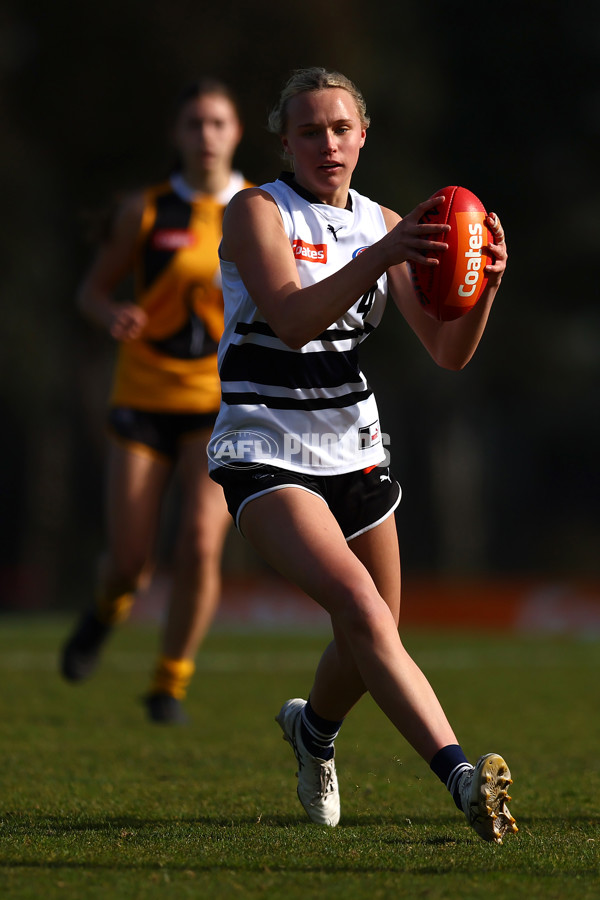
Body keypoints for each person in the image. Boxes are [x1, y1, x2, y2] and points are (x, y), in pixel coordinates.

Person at [207, 67, 517, 842]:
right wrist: (382, 256)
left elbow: (448, 354)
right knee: (361, 607)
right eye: (309, 130)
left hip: (354, 447)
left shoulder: (382, 221)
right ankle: (462, 777)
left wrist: (485, 291)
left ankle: (313, 732)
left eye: (341, 128)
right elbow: (290, 319)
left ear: (363, 136)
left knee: (374, 631)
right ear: (284, 140)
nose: (327, 143)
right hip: (264, 445)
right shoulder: (255, 211)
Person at [61, 78, 252, 724]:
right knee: (130, 561)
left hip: (219, 405)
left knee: (200, 543)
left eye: (218, 123)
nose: (206, 136)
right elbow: (91, 290)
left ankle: (169, 683)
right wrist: (110, 312)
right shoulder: (144, 211)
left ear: (238, 133)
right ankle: (104, 610)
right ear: (177, 136)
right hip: (143, 398)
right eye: (194, 124)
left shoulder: (259, 211)